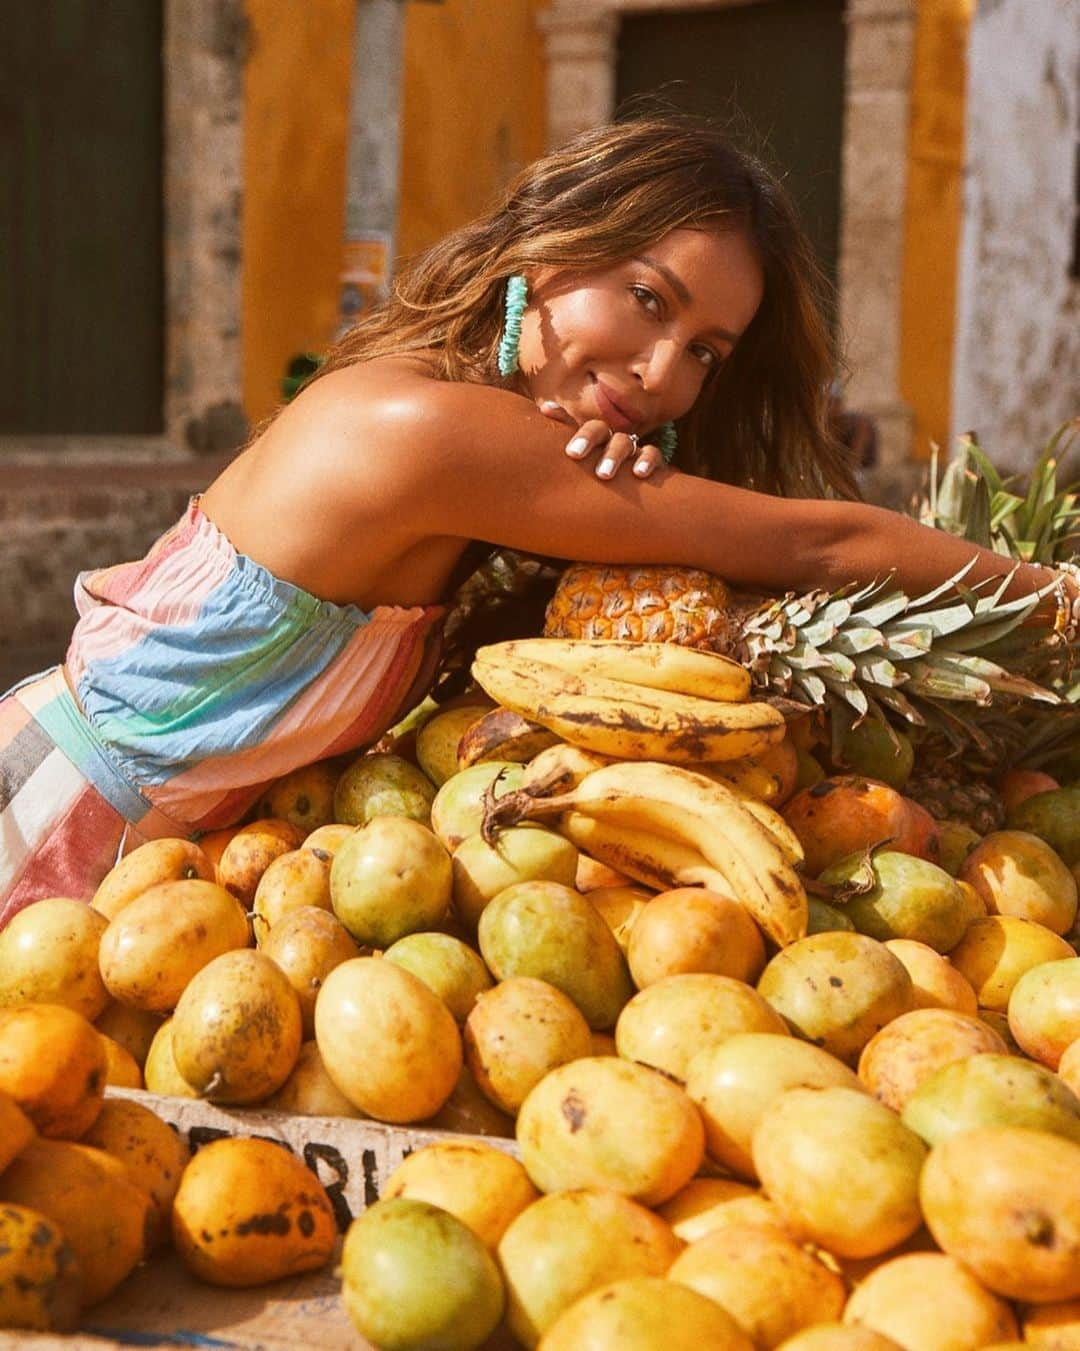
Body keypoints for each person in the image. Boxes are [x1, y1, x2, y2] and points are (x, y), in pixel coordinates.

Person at [1, 113, 1075, 924]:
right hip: (50, 822)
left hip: (152, 861)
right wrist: (1056, 599)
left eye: (705, 351)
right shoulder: (435, 428)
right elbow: (819, 542)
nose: (662, 374)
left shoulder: (481, 420)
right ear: (552, 244)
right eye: (648, 300)